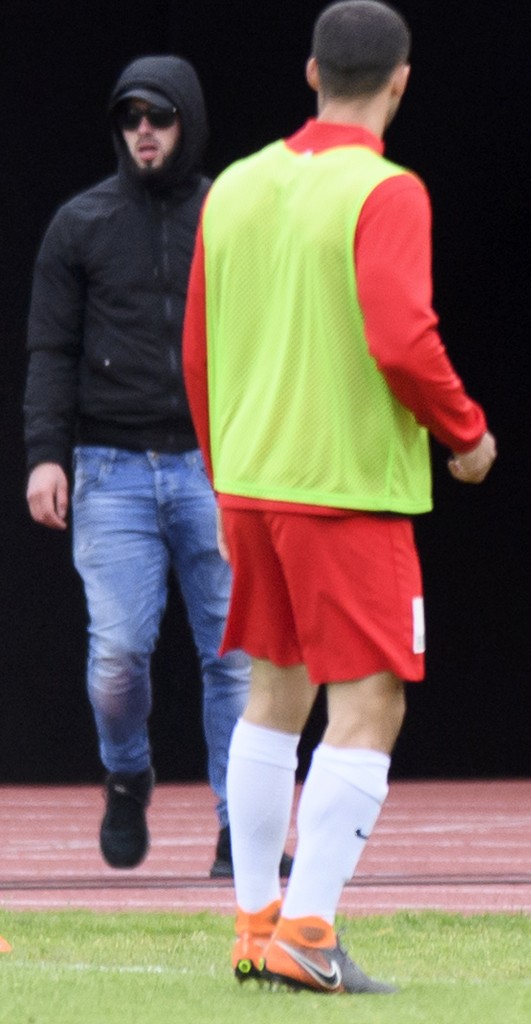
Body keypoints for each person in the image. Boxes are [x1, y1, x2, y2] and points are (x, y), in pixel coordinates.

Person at [184, 0, 497, 993]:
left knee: (274, 695)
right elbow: (401, 336)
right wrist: (466, 431)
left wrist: (218, 472)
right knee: (370, 703)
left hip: (250, 484)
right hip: (346, 488)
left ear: (311, 71)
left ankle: (254, 922)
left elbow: (194, 349)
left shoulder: (234, 184)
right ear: (401, 80)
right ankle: (309, 930)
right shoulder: (388, 188)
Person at [23, 55, 275, 879]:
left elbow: (272, 342)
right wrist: (43, 458)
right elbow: (50, 350)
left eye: (159, 117)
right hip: (109, 470)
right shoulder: (80, 224)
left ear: (188, 123)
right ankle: (127, 774)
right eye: (131, 116)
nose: (144, 131)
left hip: (216, 465)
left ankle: (244, 828)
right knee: (117, 655)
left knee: (233, 657)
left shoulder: (229, 217)